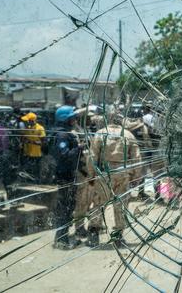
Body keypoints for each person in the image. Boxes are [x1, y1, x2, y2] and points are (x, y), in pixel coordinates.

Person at [86, 111, 142, 248]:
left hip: (105, 173)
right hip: (123, 173)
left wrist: (91, 174)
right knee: (121, 205)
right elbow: (137, 157)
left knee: (99, 203)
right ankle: (118, 236)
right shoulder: (128, 135)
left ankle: (94, 232)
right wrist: (136, 176)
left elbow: (92, 156)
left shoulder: (100, 133)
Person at [52, 106, 84, 250]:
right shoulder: (62, 136)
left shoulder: (65, 134)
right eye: (72, 117)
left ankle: (63, 237)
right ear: (65, 119)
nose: (74, 120)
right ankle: (61, 239)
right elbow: (64, 156)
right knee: (64, 208)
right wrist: (80, 148)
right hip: (64, 177)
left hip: (68, 175)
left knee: (68, 207)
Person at [21, 112, 46, 182]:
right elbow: (24, 138)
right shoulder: (28, 128)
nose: (26, 122)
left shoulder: (40, 128)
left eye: (28, 120)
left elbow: (43, 142)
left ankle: (37, 182)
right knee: (28, 171)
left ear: (32, 120)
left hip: (36, 154)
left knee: (36, 170)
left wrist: (31, 142)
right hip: (27, 153)